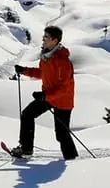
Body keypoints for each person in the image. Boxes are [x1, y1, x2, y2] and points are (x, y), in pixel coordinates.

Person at [9, 26, 78, 160]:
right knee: (27, 114)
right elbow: (42, 73)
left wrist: (45, 96)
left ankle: (71, 160)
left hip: (63, 101)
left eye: (46, 37)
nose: (43, 40)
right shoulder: (46, 55)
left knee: (61, 133)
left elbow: (64, 89)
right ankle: (26, 149)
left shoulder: (62, 61)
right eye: (44, 37)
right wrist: (24, 70)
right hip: (48, 96)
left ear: (55, 40)